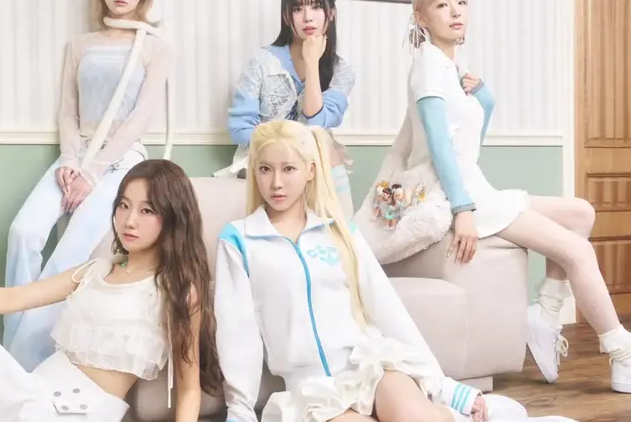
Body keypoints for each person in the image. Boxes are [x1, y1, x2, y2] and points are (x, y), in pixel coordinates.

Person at [355, 0, 631, 396]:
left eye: (461, 2)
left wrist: (485, 99)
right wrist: (463, 210)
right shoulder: (428, 66)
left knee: (581, 213)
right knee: (577, 251)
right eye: (443, 5)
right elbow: (440, 148)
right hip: (458, 195)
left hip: (471, 185)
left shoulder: (449, 68)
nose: (456, 11)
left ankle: (545, 315)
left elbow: (466, 147)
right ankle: (625, 358)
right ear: (421, 17)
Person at [214, 119, 578, 422]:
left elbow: (387, 310)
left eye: (288, 168)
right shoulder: (240, 240)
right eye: (265, 169)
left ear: (311, 171)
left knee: (412, 415)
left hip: (370, 366)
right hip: (313, 394)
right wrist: (240, 410)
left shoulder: (339, 232)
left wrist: (445, 387)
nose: (276, 183)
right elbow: (237, 331)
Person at [0, 159, 222, 422]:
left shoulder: (177, 291)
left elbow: (189, 389)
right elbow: (14, 298)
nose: (129, 220)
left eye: (147, 210)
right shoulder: (96, 270)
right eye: (124, 206)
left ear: (173, 217)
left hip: (75, 414)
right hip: (32, 395)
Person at [3, 0, 175, 370]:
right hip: (75, 155)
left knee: (68, 256)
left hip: (122, 161)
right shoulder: (79, 45)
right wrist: (69, 161)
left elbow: (139, 118)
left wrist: (94, 173)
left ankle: (25, 364)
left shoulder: (155, 47)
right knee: (23, 232)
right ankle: (11, 354)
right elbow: (68, 111)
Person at [215, 0, 357, 219]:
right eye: (298, 9)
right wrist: (281, 150)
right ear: (287, 16)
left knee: (323, 143)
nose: (307, 17)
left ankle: (346, 233)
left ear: (331, 13)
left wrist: (312, 63)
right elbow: (240, 127)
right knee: (314, 152)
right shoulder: (262, 62)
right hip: (264, 158)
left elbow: (316, 122)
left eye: (316, 7)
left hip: (312, 161)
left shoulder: (340, 71)